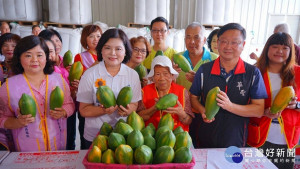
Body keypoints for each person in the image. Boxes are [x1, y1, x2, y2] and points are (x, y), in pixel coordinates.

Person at [189, 23, 268, 148]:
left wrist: (230, 106)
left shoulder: (252, 73)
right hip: (204, 138)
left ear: (243, 45)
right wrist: (202, 110)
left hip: (236, 140)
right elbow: (193, 98)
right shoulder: (204, 70)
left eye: (235, 42)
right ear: (217, 43)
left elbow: (258, 110)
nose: (228, 46)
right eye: (224, 41)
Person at [0, 35, 74, 151]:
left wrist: (64, 112)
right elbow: (2, 118)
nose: (34, 60)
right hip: (27, 150)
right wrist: (17, 122)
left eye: (39, 55)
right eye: (28, 55)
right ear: (19, 58)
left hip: (58, 145)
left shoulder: (58, 80)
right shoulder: (8, 87)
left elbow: (69, 104)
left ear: (46, 57)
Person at [77, 28, 142, 148]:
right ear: (100, 50)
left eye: (118, 49)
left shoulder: (132, 75)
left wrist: (128, 110)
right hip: (95, 137)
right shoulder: (89, 74)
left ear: (126, 51)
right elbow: (83, 110)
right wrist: (103, 110)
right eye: (107, 48)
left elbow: (135, 104)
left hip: (124, 136)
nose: (113, 53)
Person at [247, 32, 300, 169]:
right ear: (267, 49)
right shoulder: (254, 71)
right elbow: (244, 103)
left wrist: (297, 105)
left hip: (286, 140)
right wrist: (262, 112)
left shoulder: (298, 73)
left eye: (285, 48)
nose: (279, 51)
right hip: (258, 136)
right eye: (275, 46)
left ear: (291, 51)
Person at [137, 55, 193, 131]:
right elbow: (138, 117)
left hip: (178, 137)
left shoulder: (182, 91)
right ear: (152, 77)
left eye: (165, 73)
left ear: (171, 75)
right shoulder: (144, 91)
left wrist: (181, 113)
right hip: (152, 137)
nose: (162, 78)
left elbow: (189, 121)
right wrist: (155, 107)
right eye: (157, 74)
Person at [72, 24, 102, 150]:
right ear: (85, 39)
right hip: (87, 101)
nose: (96, 39)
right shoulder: (80, 57)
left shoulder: (108, 55)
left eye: (99, 36)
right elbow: (78, 79)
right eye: (91, 36)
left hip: (102, 102)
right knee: (87, 137)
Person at [176, 22, 218, 90]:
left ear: (204, 40)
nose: (192, 41)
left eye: (196, 37)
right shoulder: (176, 58)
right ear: (184, 40)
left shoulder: (215, 59)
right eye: (188, 37)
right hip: (181, 100)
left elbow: (217, 87)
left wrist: (197, 81)